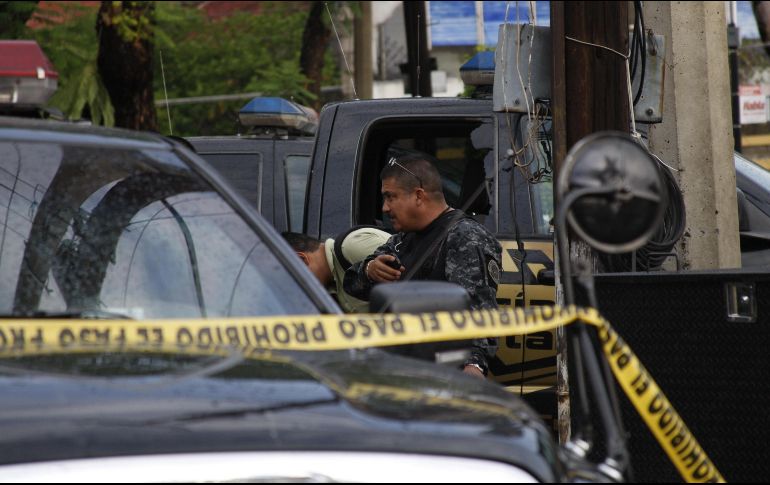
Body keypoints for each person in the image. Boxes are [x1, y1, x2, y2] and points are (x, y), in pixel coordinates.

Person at [344, 155, 502, 379]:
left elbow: (479, 311)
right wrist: (370, 270)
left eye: (390, 197)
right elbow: (352, 283)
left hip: (441, 375)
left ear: (418, 195)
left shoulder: (464, 236)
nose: (385, 208)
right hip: (401, 369)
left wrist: (473, 365)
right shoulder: (404, 238)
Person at [282, 228, 390, 313]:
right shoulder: (329, 290)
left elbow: (406, 282)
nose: (296, 291)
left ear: (302, 260)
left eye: (291, 281)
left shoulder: (352, 247)